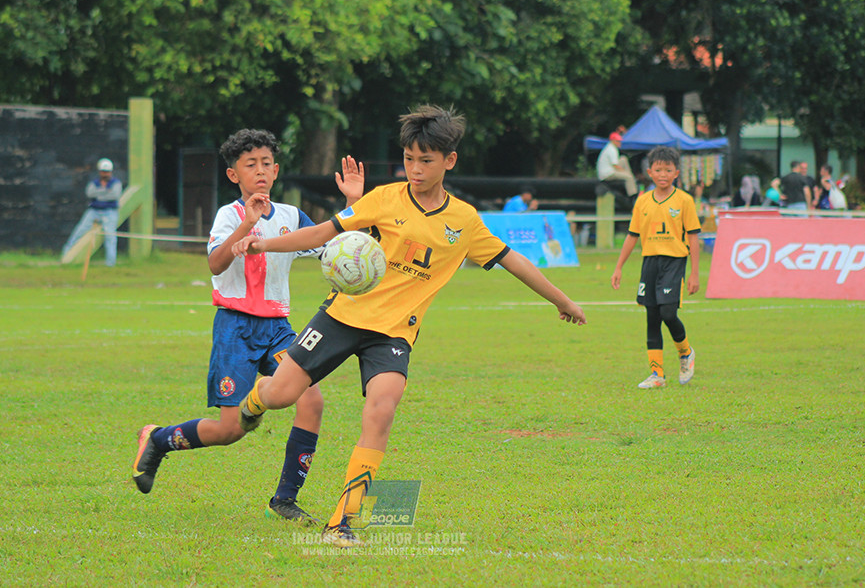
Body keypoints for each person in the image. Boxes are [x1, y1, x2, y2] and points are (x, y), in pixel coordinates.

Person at [231, 105, 586, 548]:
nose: (415, 169)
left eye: (426, 160)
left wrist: (563, 300)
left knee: (382, 408)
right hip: (342, 316)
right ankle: (255, 400)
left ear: (449, 161)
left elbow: (513, 261)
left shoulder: (464, 222)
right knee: (281, 395)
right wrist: (262, 244)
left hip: (394, 333)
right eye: (409, 159)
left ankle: (342, 521)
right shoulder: (384, 198)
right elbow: (323, 232)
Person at [130, 129, 364, 525]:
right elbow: (215, 263)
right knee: (230, 430)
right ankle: (159, 439)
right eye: (250, 164)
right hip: (235, 328)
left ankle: (284, 500)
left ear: (276, 171)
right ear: (233, 174)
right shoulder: (229, 215)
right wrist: (245, 228)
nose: (260, 171)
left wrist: (353, 204)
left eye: (267, 163)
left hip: (278, 329)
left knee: (311, 399)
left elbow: (334, 246)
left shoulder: (291, 217)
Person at [611, 146, 700, 390]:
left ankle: (685, 352)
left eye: (668, 170)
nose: (663, 174)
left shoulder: (684, 200)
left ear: (676, 173)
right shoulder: (642, 201)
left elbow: (693, 237)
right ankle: (656, 374)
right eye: (658, 170)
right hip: (650, 262)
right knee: (652, 316)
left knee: (668, 313)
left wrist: (694, 273)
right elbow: (632, 235)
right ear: (650, 172)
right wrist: (618, 267)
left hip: (674, 262)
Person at [61, 158, 123, 266]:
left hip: (110, 212)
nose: (105, 174)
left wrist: (99, 195)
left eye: (107, 172)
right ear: (100, 172)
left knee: (110, 237)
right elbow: (90, 194)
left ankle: (110, 263)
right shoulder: (94, 183)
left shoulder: (116, 183)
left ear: (111, 172)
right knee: (79, 231)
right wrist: (106, 192)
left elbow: (114, 195)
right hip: (94, 211)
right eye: (103, 171)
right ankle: (65, 257)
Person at [596, 130, 637, 197]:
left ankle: (631, 177)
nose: (620, 143)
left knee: (623, 159)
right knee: (629, 177)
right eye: (618, 141)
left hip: (608, 170)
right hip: (608, 174)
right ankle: (633, 196)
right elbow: (615, 166)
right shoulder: (612, 150)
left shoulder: (609, 147)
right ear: (613, 141)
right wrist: (625, 172)